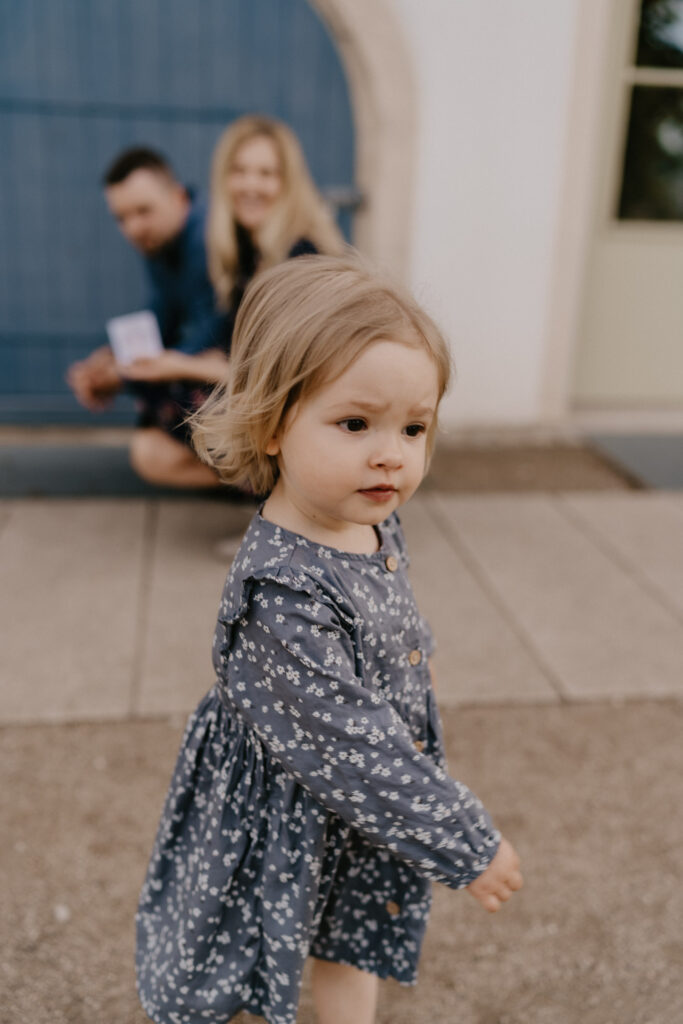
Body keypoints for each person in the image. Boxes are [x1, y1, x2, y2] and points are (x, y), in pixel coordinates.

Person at [135, 256, 523, 1024]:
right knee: (235, 954)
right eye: (356, 423)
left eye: (414, 427)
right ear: (274, 422)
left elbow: (393, 603)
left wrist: (421, 661)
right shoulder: (280, 593)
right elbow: (351, 743)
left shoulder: (367, 515)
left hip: (357, 803)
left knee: (347, 938)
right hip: (278, 805)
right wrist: (465, 841)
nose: (391, 453)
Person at [114, 117, 344, 487]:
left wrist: (190, 366)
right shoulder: (246, 251)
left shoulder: (300, 257)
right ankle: (272, 498)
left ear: (288, 184)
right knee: (156, 393)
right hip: (262, 398)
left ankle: (286, 498)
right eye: (239, 171)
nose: (250, 185)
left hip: (304, 407)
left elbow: (290, 379)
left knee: (186, 394)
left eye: (266, 173)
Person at [66, 146, 227, 488]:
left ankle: (275, 494)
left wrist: (121, 375)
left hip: (255, 380)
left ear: (179, 197)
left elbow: (206, 338)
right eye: (122, 217)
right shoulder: (161, 240)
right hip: (224, 370)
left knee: (174, 403)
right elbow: (160, 319)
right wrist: (111, 357)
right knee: (150, 451)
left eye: (143, 211)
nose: (133, 228)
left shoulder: (209, 240)